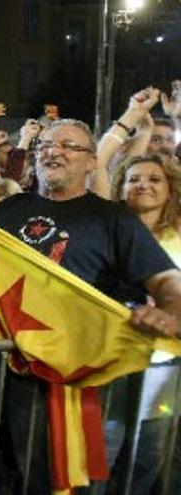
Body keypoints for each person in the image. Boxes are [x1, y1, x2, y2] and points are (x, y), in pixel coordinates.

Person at [0, 119, 181, 494]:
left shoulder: (113, 219)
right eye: (44, 144)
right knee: (10, 472)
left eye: (68, 145)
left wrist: (172, 311)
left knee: (68, 479)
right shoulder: (9, 208)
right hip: (8, 370)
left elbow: (166, 280)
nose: (52, 151)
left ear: (92, 162)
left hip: (76, 380)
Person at [110, 154, 181, 493]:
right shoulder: (105, 231)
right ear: (119, 188)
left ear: (170, 189)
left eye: (155, 179)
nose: (144, 185)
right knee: (104, 444)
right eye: (134, 178)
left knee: (148, 451)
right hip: (110, 359)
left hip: (164, 364)